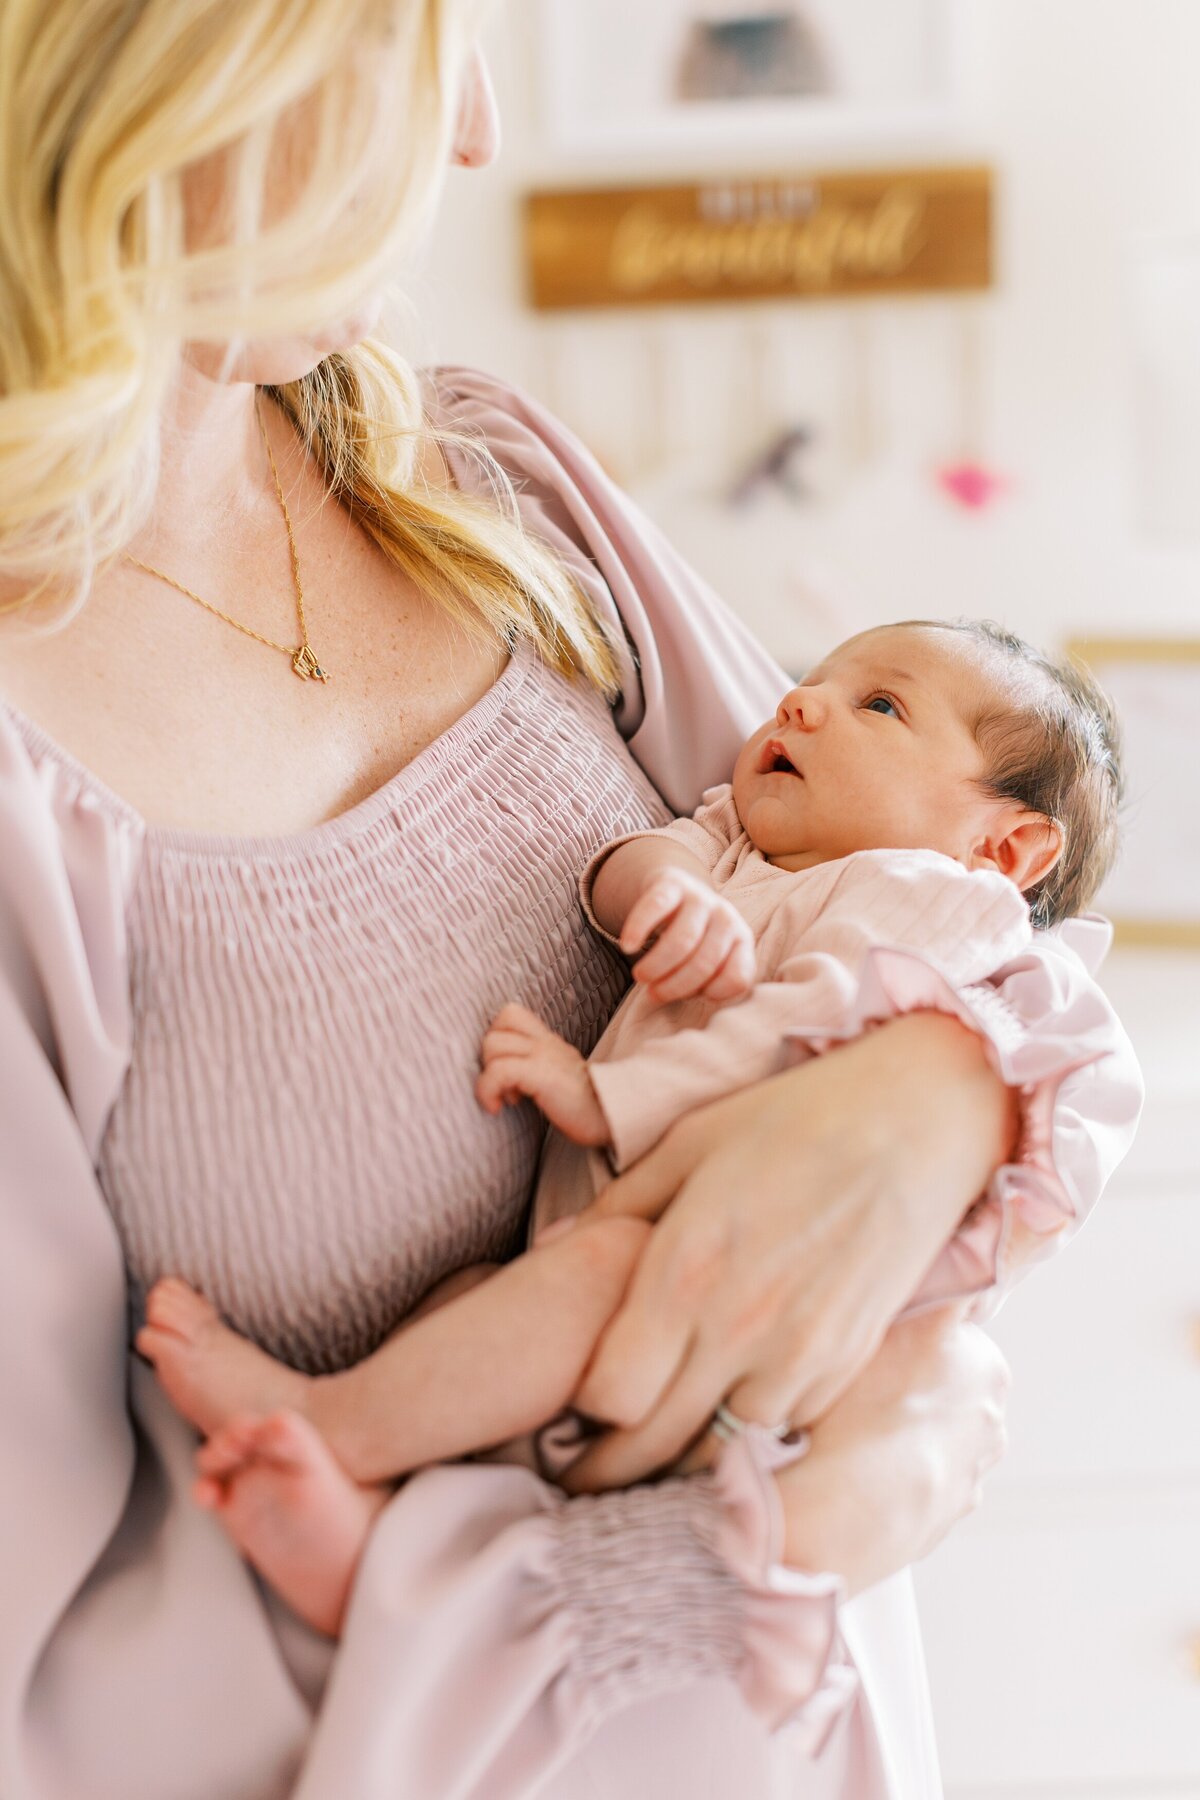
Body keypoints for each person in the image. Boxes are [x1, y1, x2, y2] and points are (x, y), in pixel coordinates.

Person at [0, 6, 1142, 1799]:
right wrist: (683, 1572)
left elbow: (973, 937)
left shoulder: (502, 496)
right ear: (135, 68)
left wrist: (923, 1107)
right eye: (404, 42)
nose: (472, 132)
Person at [129, 613, 1128, 1635]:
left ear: (1002, 846)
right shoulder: (748, 840)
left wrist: (600, 1096)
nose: (802, 701)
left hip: (724, 1297)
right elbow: (625, 865)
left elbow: (807, 1035)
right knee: (475, 1306)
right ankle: (384, 1551)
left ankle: (321, 1422)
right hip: (618, 1249)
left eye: (881, 705)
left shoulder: (933, 904)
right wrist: (671, 889)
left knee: (575, 1289)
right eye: (814, 678)